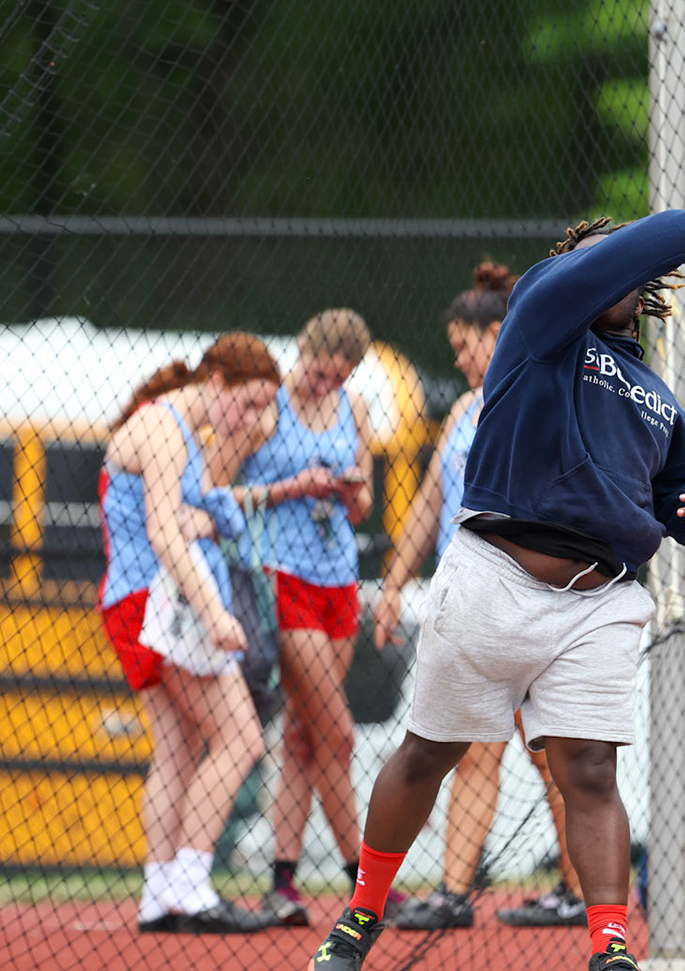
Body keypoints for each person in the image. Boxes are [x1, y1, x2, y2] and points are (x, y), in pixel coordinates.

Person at [310, 211, 685, 971]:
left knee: (590, 770)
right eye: (598, 256)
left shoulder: (653, 395)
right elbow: (601, 264)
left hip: (600, 600)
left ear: (644, 286)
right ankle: (360, 918)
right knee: (431, 753)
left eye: (625, 260)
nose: (612, 266)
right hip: (495, 576)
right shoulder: (542, 323)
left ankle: (610, 949)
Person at [374, 263, 586, 932]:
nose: (460, 357)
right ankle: (454, 892)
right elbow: (429, 505)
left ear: (498, 334)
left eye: (467, 345)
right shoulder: (465, 410)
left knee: (552, 751)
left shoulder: (534, 399)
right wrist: (393, 585)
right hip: (466, 603)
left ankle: (579, 891)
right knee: (472, 749)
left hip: (526, 600)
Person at [100, 332, 282, 934]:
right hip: (159, 601)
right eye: (249, 403)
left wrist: (206, 517)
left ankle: (160, 893)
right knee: (240, 740)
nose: (254, 420)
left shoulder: (180, 433)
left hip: (137, 602)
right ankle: (190, 885)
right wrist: (214, 611)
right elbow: (165, 533)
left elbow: (191, 517)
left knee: (178, 746)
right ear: (216, 383)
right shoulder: (163, 428)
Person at [234, 309, 407, 927]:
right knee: (336, 732)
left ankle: (283, 882)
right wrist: (289, 488)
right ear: (301, 351)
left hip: (338, 577)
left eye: (337, 377)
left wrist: (350, 489)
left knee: (305, 738)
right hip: (281, 575)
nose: (323, 385)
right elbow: (218, 492)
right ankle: (367, 884)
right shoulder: (266, 407)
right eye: (317, 372)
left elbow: (361, 508)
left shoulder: (353, 409)